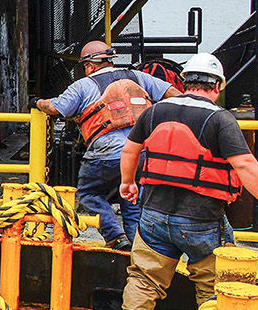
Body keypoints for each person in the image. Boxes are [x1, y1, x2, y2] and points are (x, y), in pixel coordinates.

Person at [114, 52, 258, 310]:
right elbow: (243, 163)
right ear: (217, 85)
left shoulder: (154, 111)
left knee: (143, 277)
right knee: (213, 282)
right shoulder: (220, 118)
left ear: (184, 81)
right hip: (201, 219)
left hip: (153, 214)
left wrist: (128, 182)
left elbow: (131, 149)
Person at [35, 41, 178, 250]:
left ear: (90, 66)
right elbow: (174, 94)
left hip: (107, 154)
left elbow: (56, 108)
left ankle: (116, 236)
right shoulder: (139, 77)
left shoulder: (84, 85)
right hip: (142, 153)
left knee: (88, 194)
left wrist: (37, 102)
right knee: (132, 197)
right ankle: (138, 249)